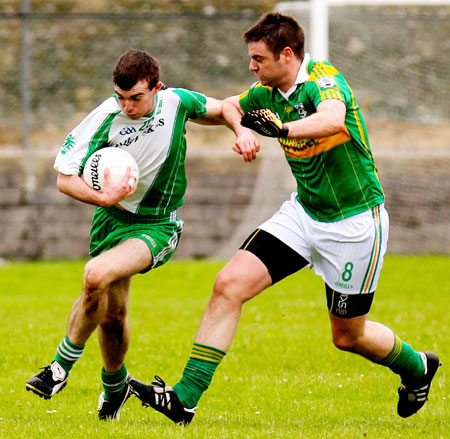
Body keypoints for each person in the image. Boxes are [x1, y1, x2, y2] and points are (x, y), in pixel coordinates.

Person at [128, 13, 441, 425]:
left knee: (348, 336)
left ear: (287, 54)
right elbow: (228, 108)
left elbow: (331, 117)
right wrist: (239, 131)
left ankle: (418, 367)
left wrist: (282, 128)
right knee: (228, 285)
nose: (252, 67)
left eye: (258, 58)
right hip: (303, 214)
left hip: (355, 225)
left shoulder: (322, 79)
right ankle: (184, 399)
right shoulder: (265, 91)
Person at [25, 49, 229, 421]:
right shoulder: (105, 117)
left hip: (156, 225)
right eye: (121, 97)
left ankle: (58, 369)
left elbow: (224, 108)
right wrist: (102, 196)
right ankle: (115, 388)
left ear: (157, 89)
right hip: (111, 220)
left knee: (95, 275)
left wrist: (243, 129)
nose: (128, 106)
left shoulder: (176, 103)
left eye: (136, 98)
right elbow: (64, 179)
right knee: (112, 316)